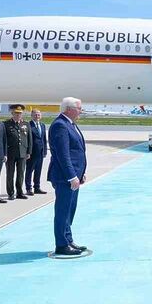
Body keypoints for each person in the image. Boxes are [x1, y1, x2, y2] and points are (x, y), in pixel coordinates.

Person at [48, 97, 89, 256]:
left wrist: (80, 173)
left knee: (70, 210)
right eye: (79, 108)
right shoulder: (60, 125)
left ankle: (68, 240)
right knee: (62, 211)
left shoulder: (69, 124)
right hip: (64, 177)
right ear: (69, 109)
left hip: (74, 176)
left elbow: (76, 151)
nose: (81, 111)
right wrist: (72, 176)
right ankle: (61, 244)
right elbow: (63, 155)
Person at [5, 105, 32, 200]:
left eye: (20, 113)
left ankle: (19, 192)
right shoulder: (6, 124)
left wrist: (29, 152)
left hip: (22, 153)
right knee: (10, 174)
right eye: (16, 113)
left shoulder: (26, 124)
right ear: (12, 113)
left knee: (20, 174)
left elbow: (29, 139)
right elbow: (4, 140)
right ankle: (11, 193)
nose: (18, 115)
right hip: (10, 153)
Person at [25, 109, 48, 195]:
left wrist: (45, 150)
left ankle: (37, 187)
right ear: (31, 116)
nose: (37, 116)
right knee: (29, 170)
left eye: (38, 115)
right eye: (35, 115)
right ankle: (28, 188)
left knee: (38, 170)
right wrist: (28, 152)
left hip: (41, 152)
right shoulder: (28, 125)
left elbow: (44, 139)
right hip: (32, 152)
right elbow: (26, 140)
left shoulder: (42, 125)